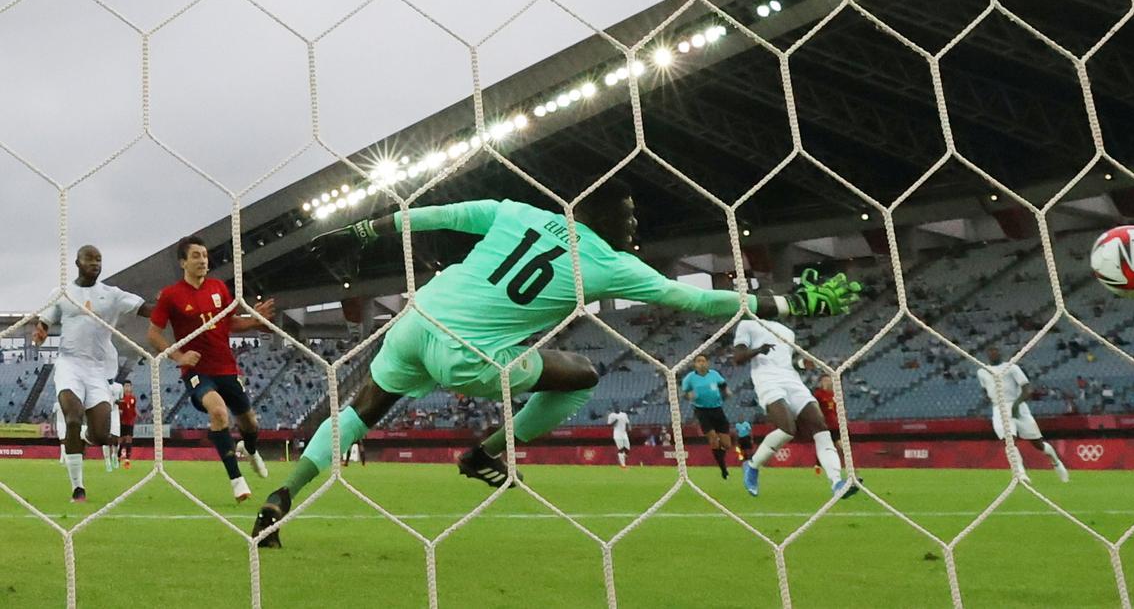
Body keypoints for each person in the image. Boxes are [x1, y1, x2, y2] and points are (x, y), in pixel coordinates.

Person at [252, 183, 861, 547]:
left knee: (361, 412)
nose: (633, 224)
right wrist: (786, 301)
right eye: (626, 215)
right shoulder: (608, 262)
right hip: (471, 354)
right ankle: (486, 450)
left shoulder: (518, 211)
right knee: (580, 374)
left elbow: (444, 214)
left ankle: (283, 494)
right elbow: (697, 300)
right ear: (603, 218)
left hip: (417, 319)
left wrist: (370, 228)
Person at [147, 236, 275, 502]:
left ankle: (250, 449)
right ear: (183, 262)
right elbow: (153, 334)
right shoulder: (171, 295)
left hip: (226, 367)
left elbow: (227, 323)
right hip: (197, 372)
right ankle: (237, 480)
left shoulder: (218, 288)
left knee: (249, 422)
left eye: (204, 255)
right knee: (218, 412)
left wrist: (254, 321)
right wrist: (178, 357)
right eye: (195, 256)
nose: (203, 260)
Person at [33, 245, 154, 502]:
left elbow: (146, 309)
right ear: (77, 263)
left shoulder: (111, 295)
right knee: (73, 418)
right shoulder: (63, 293)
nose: (95, 263)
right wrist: (41, 331)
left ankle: (85, 440)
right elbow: (44, 321)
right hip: (69, 364)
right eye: (90, 259)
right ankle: (78, 488)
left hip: (98, 369)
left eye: (99, 259)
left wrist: (169, 307)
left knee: (100, 435)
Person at [733, 312, 856, 499]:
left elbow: (785, 362)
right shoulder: (747, 324)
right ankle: (752, 466)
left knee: (820, 427)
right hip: (767, 381)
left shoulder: (787, 332)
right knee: (787, 429)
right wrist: (758, 350)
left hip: (792, 381)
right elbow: (738, 357)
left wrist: (801, 363)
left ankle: (837, 483)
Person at [978, 346, 1069, 483]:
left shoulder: (1011, 368)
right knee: (1009, 441)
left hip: (1018, 407)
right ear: (987, 354)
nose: (994, 353)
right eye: (990, 351)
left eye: (996, 350)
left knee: (1038, 444)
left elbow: (1027, 389)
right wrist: (990, 398)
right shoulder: (982, 372)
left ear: (1000, 353)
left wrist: (1016, 404)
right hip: (999, 409)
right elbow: (985, 389)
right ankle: (1020, 474)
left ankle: (1056, 462)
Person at [680, 354, 732, 479]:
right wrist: (689, 396)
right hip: (702, 411)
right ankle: (723, 469)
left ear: (707, 363)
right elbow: (684, 393)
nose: (701, 363)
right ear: (695, 364)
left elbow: (723, 385)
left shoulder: (714, 374)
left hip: (717, 409)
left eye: (703, 361)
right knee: (713, 439)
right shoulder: (690, 378)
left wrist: (727, 392)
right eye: (699, 361)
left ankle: (721, 459)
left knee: (726, 444)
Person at [117, 381, 137, 468]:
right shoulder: (121, 398)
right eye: (126, 386)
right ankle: (118, 458)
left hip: (130, 422)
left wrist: (136, 416)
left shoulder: (133, 398)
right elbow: (120, 410)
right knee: (121, 440)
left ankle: (127, 460)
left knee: (129, 439)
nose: (127, 388)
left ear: (131, 387)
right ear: (123, 387)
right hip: (122, 422)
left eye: (129, 386)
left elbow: (133, 409)